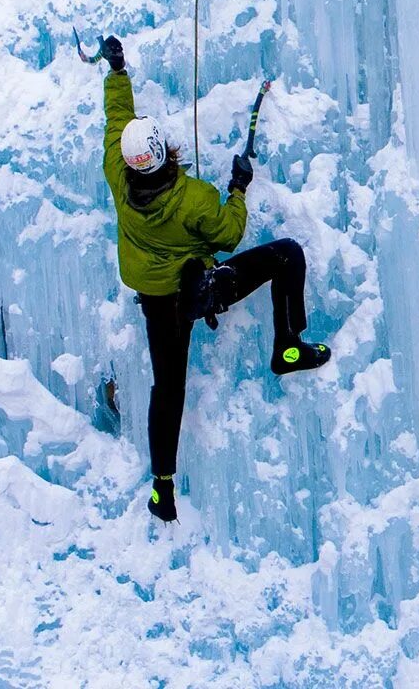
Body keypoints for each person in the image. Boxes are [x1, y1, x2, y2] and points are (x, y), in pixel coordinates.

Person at [99, 35, 329, 523]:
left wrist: (117, 71)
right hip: (200, 289)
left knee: (168, 388)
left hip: (156, 300)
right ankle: (289, 345)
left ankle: (162, 489)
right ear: (163, 151)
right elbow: (228, 234)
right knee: (287, 255)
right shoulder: (192, 197)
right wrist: (238, 188)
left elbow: (115, 120)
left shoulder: (118, 177)